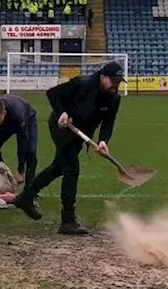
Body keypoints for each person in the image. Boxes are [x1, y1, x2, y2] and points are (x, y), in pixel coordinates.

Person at [13, 61, 124, 235]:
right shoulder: (83, 83)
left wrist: (103, 140)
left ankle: (25, 197)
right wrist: (62, 111)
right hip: (62, 126)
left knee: (59, 167)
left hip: (80, 133)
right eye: (113, 81)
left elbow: (108, 122)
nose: (116, 85)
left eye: (119, 81)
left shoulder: (114, 98)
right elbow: (53, 94)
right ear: (103, 77)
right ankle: (68, 220)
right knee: (72, 168)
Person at [0, 94, 39, 190]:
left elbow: (22, 141)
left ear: (4, 113)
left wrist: (21, 170)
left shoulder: (17, 115)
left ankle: (29, 192)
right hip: (7, 123)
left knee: (31, 151)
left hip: (28, 118)